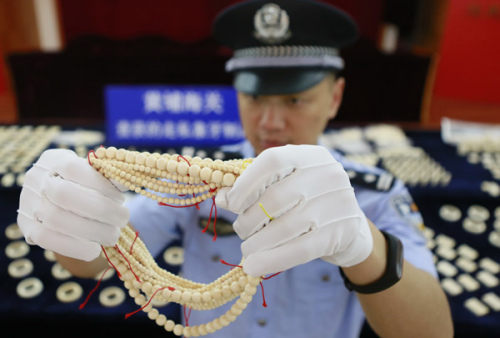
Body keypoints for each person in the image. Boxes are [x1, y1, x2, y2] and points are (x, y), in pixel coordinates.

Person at [17, 0, 453, 337]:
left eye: (294, 100)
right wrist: (71, 219)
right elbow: (98, 258)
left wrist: (365, 248)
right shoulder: (200, 174)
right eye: (255, 97)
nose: (269, 122)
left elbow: (433, 331)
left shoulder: (372, 192)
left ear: (335, 97)